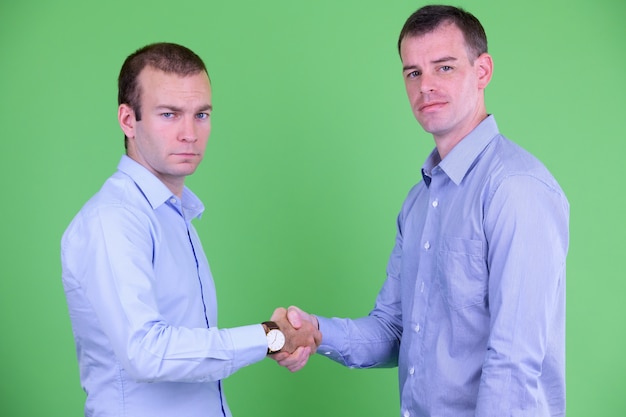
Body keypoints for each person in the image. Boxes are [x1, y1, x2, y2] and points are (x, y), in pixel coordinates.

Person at [273, 5, 569, 416]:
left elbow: (514, 363)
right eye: (413, 72)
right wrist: (317, 332)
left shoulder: (515, 188)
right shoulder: (418, 203)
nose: (425, 86)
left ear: (482, 71)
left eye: (444, 68)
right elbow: (394, 330)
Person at [61, 42, 320, 417]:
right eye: (169, 114)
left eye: (201, 114)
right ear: (127, 120)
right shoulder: (114, 219)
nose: (189, 133)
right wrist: (270, 336)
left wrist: (276, 338)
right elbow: (146, 353)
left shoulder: (172, 214)